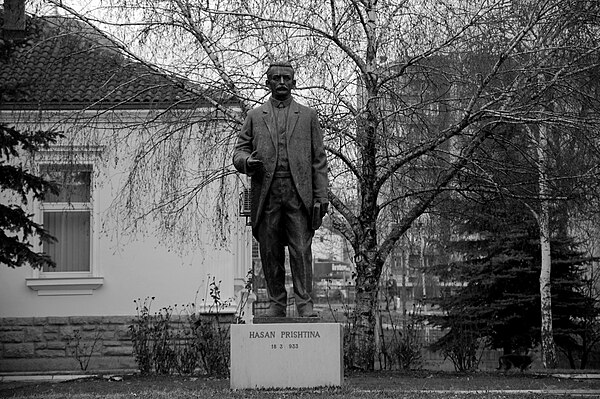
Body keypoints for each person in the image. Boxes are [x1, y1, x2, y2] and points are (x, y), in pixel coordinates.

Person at [233, 62, 329, 317]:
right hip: (267, 193)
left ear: (294, 83)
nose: (282, 82)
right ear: (268, 83)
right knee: (270, 250)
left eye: (287, 78)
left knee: (301, 249)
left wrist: (322, 195)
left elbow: (319, 159)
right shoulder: (255, 116)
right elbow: (239, 151)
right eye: (276, 78)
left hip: (298, 195)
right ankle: (276, 303)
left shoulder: (308, 116)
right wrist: (246, 162)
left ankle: (304, 303)